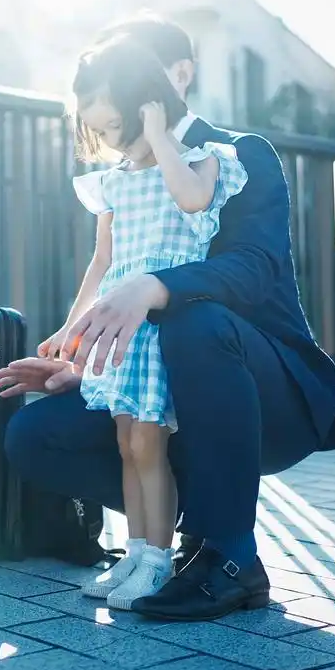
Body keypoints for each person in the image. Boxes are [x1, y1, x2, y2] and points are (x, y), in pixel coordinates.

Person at [0, 13, 335, 621]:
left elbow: (254, 268)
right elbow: (106, 263)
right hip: (151, 374)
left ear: (176, 75)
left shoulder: (234, 154)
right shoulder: (119, 176)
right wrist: (80, 356)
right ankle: (158, 541)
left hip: (262, 388)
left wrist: (155, 286)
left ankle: (229, 556)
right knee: (34, 434)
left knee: (194, 322)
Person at [41, 36, 249, 609]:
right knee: (126, 441)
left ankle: (159, 560)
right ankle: (135, 552)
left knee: (149, 442)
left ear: (144, 104)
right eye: (99, 129)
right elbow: (102, 262)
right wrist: (72, 328)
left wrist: (160, 135)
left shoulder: (202, 158)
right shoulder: (113, 180)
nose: (109, 139)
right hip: (120, 331)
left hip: (161, 325)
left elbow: (193, 200)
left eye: (114, 125)